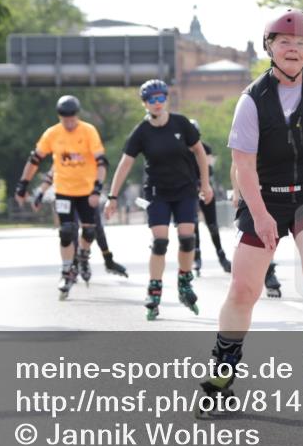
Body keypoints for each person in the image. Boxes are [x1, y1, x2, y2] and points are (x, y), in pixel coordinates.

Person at [196, 8, 303, 416]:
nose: (293, 49)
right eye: (284, 42)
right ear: (270, 47)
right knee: (244, 288)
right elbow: (243, 166)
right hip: (263, 194)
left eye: (301, 43)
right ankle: (223, 368)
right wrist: (262, 214)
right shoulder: (252, 100)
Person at [104, 79, 212, 320]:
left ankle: (184, 281)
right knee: (160, 242)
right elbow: (124, 165)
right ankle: (154, 289)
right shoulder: (141, 132)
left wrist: (205, 183)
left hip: (184, 189)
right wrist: (112, 196)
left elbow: (200, 152)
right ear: (145, 104)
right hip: (157, 192)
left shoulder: (181, 124)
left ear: (166, 99)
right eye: (151, 100)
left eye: (160, 98)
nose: (157, 103)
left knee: (187, 238)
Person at [15, 95, 108, 300]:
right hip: (64, 190)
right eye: (65, 118)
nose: (69, 122)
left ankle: (83, 256)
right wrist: (23, 185)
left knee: (89, 232)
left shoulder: (88, 131)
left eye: (72, 118)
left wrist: (97, 189)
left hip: (86, 191)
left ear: (77, 115)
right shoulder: (52, 134)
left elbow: (102, 163)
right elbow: (35, 159)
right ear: (59, 116)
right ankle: (67, 272)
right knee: (66, 232)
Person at [34, 168, 127, 276]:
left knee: (95, 228)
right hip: (67, 193)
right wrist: (40, 193)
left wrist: (97, 188)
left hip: (86, 193)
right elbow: (54, 169)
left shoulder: (88, 152)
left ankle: (104, 260)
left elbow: (100, 166)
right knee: (70, 229)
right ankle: (74, 263)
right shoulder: (62, 152)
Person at [229, 163, 281, 297]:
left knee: (272, 235)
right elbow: (237, 165)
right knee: (262, 238)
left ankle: (268, 273)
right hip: (254, 193)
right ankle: (268, 275)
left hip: (280, 192)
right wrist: (236, 192)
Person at [188, 119, 231, 274]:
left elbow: (209, 169)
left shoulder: (205, 148)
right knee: (193, 225)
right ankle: (196, 257)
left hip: (205, 188)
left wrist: (203, 184)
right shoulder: (181, 150)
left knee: (212, 225)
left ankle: (221, 256)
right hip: (189, 191)